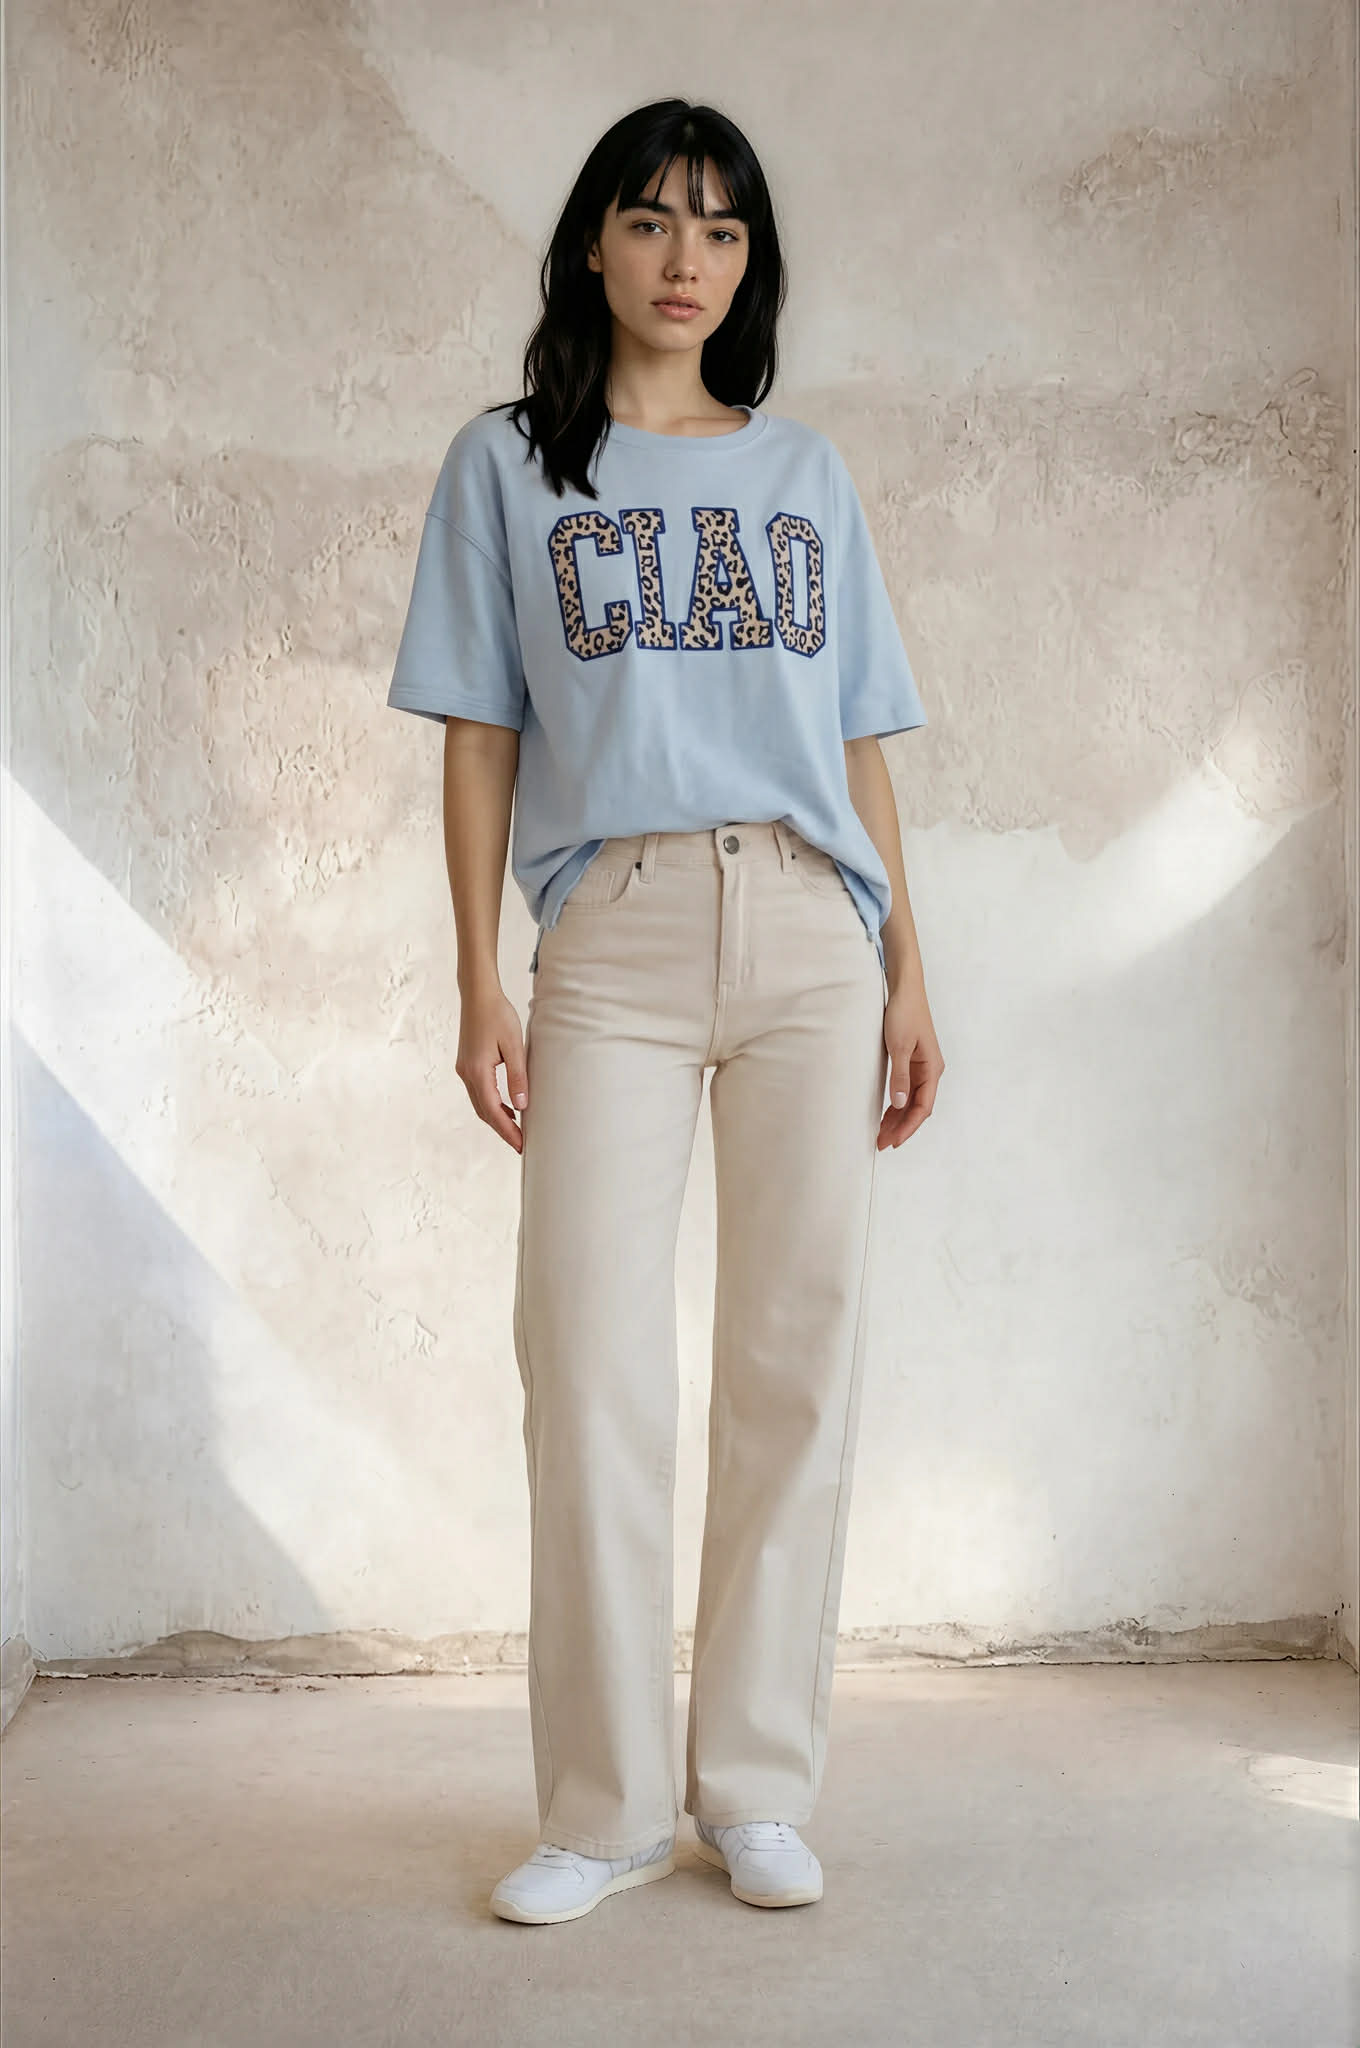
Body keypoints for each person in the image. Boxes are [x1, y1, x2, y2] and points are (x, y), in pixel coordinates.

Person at [386, 98, 944, 1926]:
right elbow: (481, 734)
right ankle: (606, 1805)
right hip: (610, 932)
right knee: (589, 1364)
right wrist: (479, 975)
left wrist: (909, 969)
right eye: (649, 221)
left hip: (809, 928)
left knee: (795, 1357)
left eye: (720, 228)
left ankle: (756, 1784)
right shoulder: (506, 468)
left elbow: (856, 743)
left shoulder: (805, 476)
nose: (685, 259)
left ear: (749, 260)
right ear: (593, 246)